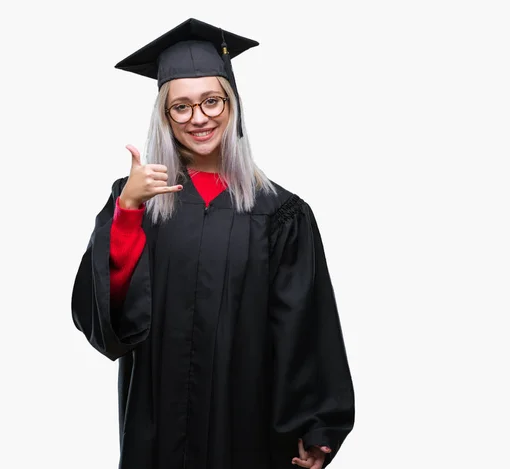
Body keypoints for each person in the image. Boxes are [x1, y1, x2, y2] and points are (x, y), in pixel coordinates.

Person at [71, 18, 354, 469]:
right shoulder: (138, 201)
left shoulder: (279, 213)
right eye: (180, 107)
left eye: (211, 101)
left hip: (246, 427)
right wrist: (127, 210)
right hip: (156, 426)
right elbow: (107, 319)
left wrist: (318, 428)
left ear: (232, 104)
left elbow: (305, 327)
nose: (198, 117)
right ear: (164, 116)